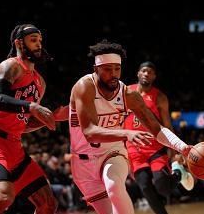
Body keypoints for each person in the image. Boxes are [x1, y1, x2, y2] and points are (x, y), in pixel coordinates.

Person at [69, 40, 192, 214]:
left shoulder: (128, 94)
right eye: (107, 69)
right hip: (83, 162)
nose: (113, 74)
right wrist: (127, 133)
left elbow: (157, 128)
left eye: (117, 69)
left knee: (114, 187)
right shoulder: (84, 87)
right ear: (95, 69)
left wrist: (182, 147)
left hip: (113, 152)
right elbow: (89, 132)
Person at [0, 23, 62, 214]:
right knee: (4, 198)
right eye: (33, 40)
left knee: (48, 204)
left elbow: (24, 123)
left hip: (15, 146)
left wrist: (52, 118)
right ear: (19, 43)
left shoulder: (40, 82)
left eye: (40, 40)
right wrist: (32, 106)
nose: (39, 44)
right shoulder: (11, 66)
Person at [124, 61, 194, 214]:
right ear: (138, 73)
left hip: (155, 147)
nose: (146, 74)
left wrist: (174, 150)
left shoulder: (160, 97)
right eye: (144, 71)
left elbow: (167, 125)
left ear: (154, 76)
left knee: (163, 187)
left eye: (150, 72)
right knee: (145, 187)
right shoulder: (127, 91)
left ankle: (178, 173)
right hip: (134, 149)